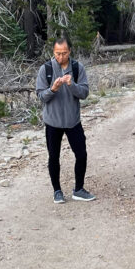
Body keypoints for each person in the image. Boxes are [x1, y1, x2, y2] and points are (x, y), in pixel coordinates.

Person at [36, 37, 95, 204]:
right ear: (53, 52)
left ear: (69, 51)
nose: (60, 57)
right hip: (52, 122)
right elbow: (41, 96)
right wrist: (53, 89)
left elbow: (84, 93)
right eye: (57, 53)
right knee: (53, 157)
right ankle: (57, 191)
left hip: (72, 121)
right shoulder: (45, 69)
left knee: (81, 154)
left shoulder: (77, 68)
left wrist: (72, 85)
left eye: (63, 53)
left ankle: (79, 189)